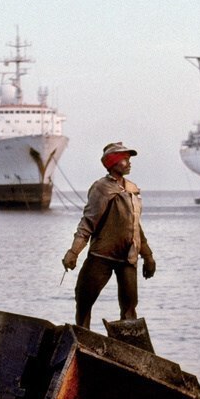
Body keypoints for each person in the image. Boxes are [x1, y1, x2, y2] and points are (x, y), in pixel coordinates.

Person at [62, 141, 156, 329]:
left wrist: (148, 256)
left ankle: (130, 346)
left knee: (130, 309)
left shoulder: (131, 189)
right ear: (112, 163)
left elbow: (136, 226)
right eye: (124, 160)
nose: (129, 163)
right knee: (84, 301)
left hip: (128, 257)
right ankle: (82, 336)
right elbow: (87, 223)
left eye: (129, 159)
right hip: (102, 256)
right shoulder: (101, 188)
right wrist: (73, 252)